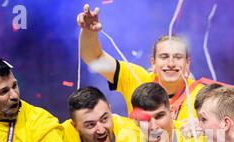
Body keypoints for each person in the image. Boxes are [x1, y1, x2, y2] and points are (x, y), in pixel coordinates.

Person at [76, 4, 204, 121]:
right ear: (153, 63)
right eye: (164, 57)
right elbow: (95, 59)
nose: (171, 63)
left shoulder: (202, 96)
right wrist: (88, 32)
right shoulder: (137, 78)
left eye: (177, 57)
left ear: (187, 63)